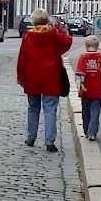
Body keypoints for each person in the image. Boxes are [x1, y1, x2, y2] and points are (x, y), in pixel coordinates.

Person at [16, 8, 73, 152]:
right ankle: (49, 141)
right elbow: (67, 43)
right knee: (50, 109)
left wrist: (20, 77)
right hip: (51, 77)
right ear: (47, 19)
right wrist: (58, 29)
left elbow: (22, 58)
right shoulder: (53, 34)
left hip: (32, 77)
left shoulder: (28, 36)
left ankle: (31, 137)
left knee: (33, 108)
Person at [75, 35, 101, 141]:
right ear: (97, 45)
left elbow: (82, 73)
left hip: (86, 89)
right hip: (97, 89)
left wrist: (81, 84)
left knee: (85, 111)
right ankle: (92, 132)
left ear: (86, 46)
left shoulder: (83, 57)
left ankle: (87, 130)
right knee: (95, 111)